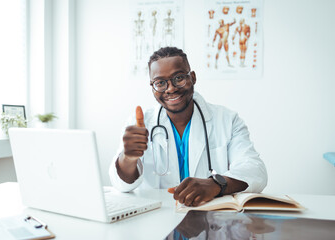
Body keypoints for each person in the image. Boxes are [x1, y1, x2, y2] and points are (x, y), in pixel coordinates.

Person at [109, 47, 267, 207]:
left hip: (211, 219)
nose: (170, 88)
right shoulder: (139, 124)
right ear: (152, 87)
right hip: (157, 217)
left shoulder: (227, 120)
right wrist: (127, 158)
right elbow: (121, 185)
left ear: (192, 77)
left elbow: (255, 170)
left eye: (178, 78)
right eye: (160, 83)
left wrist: (215, 184)